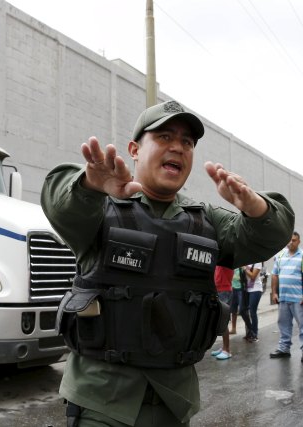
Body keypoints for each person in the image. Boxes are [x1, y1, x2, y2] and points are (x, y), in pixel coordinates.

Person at [41, 100, 294, 426]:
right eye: (164, 137)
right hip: (102, 401)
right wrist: (91, 186)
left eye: (187, 142)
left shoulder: (206, 222)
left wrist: (256, 207)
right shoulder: (102, 207)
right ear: (134, 148)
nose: (178, 147)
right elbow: (61, 203)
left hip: (174, 402)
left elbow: (265, 237)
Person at [269, 232, 303, 360]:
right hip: (283, 298)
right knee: (283, 324)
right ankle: (284, 349)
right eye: (289, 240)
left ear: (298, 241)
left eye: (294, 240)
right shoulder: (281, 255)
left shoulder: (302, 256)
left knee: (302, 325)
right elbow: (274, 274)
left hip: (298, 299)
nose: (291, 243)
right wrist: (274, 293)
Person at [211, 266, 234, 359]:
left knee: (223, 321)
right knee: (220, 320)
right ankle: (224, 347)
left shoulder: (226, 259)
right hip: (220, 289)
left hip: (224, 290)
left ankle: (227, 350)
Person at [244, 263, 263, 342]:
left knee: (252, 312)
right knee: (243, 310)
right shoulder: (247, 261)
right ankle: (249, 332)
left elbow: (253, 276)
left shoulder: (258, 263)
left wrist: (245, 269)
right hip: (247, 289)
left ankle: (254, 333)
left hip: (256, 289)